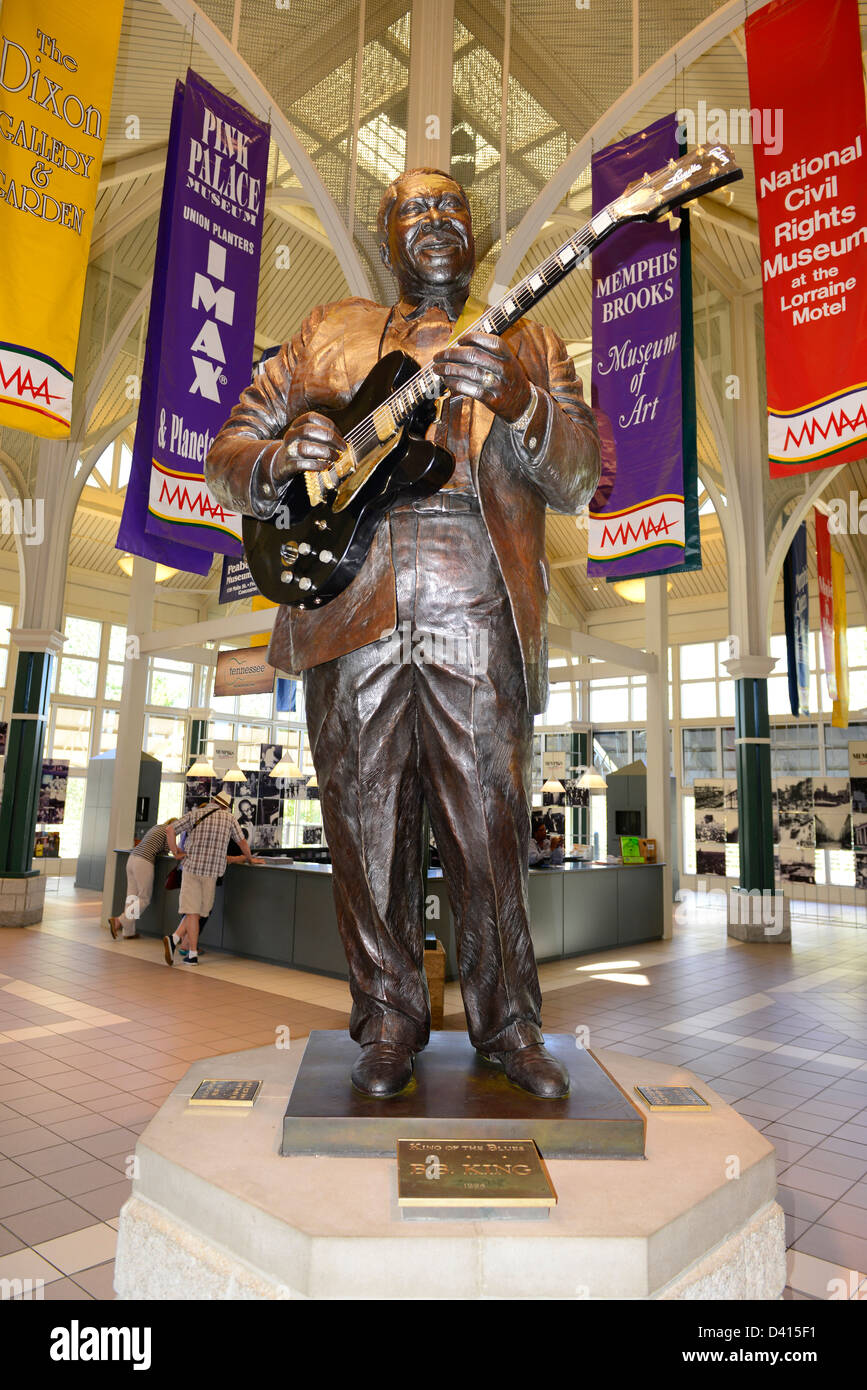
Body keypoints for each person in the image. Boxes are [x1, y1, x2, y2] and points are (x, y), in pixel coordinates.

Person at [206, 167, 600, 1097]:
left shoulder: (534, 340)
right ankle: (386, 1019)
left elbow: (580, 475)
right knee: (364, 820)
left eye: (451, 207)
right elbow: (227, 454)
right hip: (350, 594)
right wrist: (275, 459)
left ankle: (507, 1026)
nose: (434, 221)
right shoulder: (325, 336)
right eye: (413, 210)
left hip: (476, 591)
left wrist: (517, 399)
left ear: (476, 234)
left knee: (490, 825)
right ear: (387, 238)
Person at [163, 790, 257, 965]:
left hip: (191, 869)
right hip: (212, 873)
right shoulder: (229, 819)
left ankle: (177, 940)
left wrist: (175, 851)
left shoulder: (195, 813)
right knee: (199, 913)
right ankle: (190, 953)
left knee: (192, 912)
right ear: (226, 806)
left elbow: (169, 829)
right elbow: (242, 842)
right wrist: (250, 858)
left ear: (213, 801)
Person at [108, 818, 178, 940]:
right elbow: (169, 850)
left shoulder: (156, 827)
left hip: (132, 858)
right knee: (144, 898)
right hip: (144, 862)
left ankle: (128, 932)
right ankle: (119, 920)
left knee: (131, 896)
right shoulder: (169, 831)